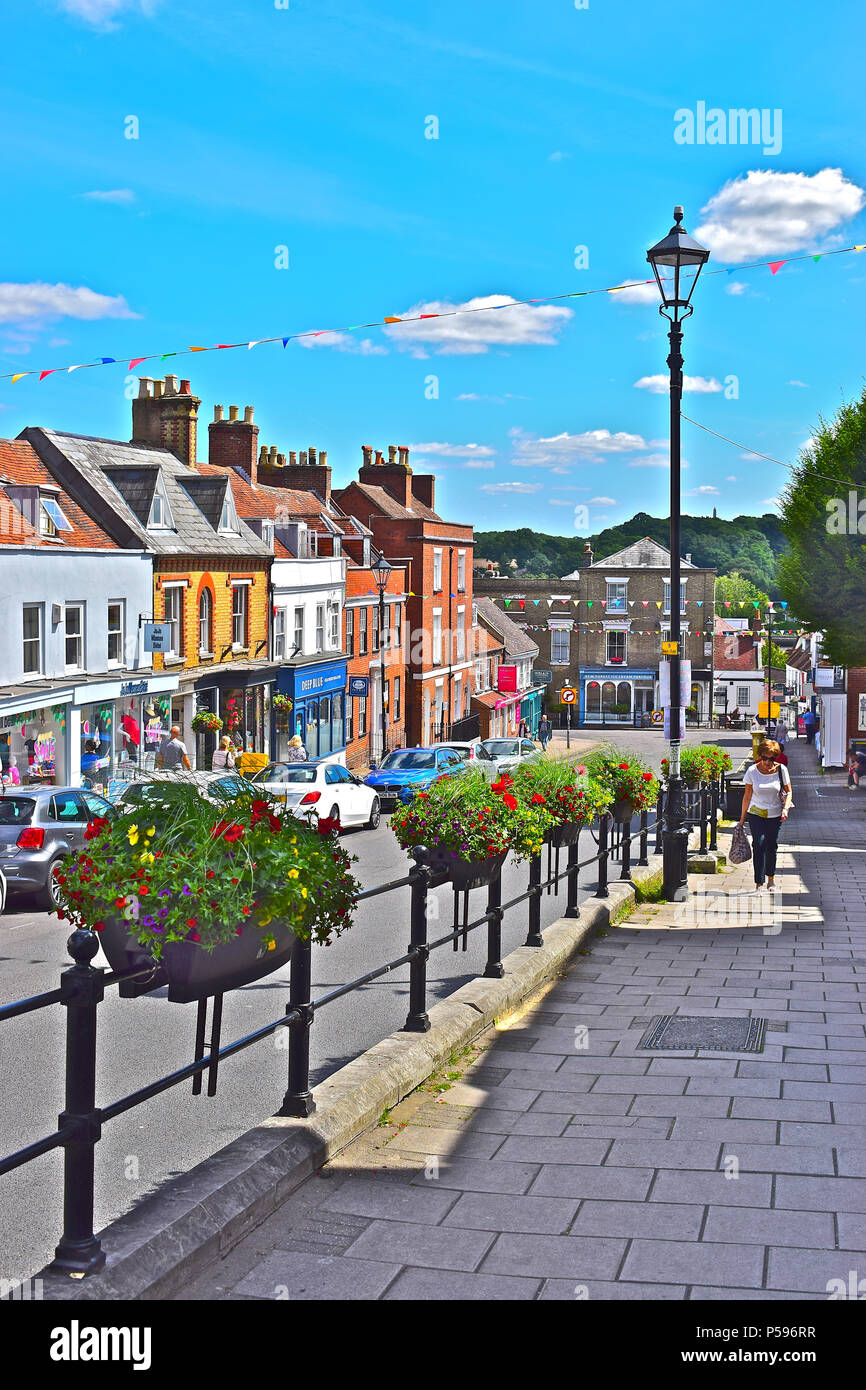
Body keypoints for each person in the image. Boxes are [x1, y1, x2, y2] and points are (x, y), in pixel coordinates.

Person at [738, 738, 792, 893]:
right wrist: (742, 819)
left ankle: (771, 879)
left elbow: (788, 792)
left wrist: (786, 808)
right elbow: (747, 796)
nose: (768, 762)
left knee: (771, 845)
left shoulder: (782, 770)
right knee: (759, 844)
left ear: (776, 757)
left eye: (771, 758)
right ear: (760, 755)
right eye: (765, 758)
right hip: (756, 813)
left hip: (775, 814)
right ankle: (759, 883)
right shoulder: (752, 771)